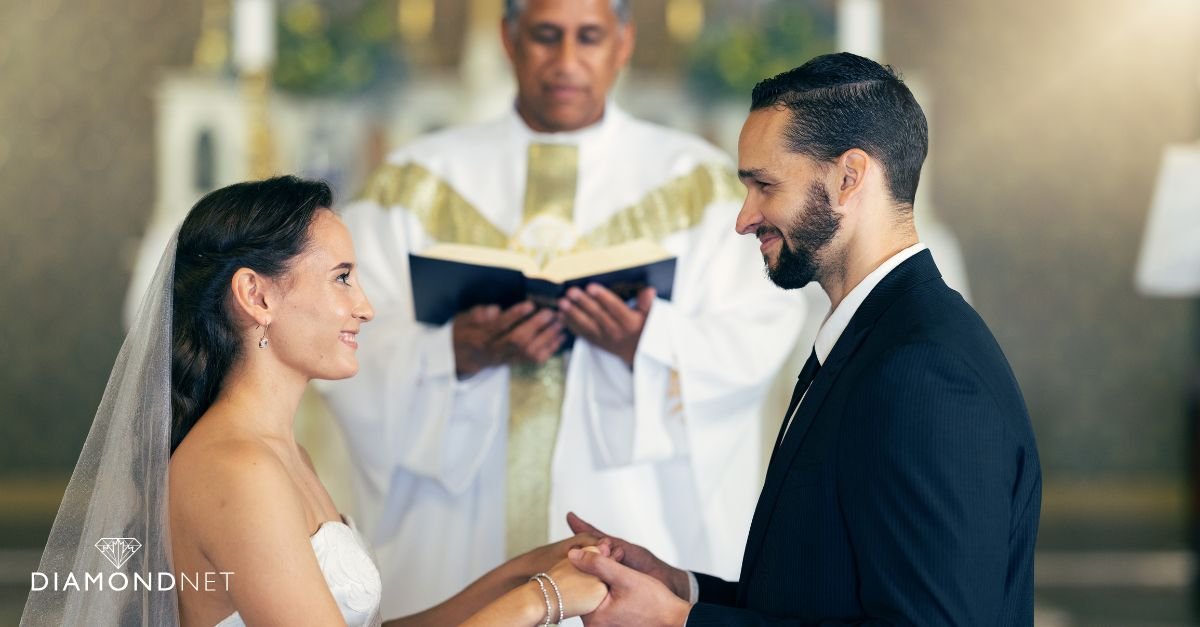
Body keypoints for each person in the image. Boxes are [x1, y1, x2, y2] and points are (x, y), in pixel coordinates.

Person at [318, 0, 805, 618]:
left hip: (632, 512)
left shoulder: (700, 186)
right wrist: (453, 353)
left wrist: (648, 342)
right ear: (509, 38)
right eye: (546, 36)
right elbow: (337, 333)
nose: (567, 60)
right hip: (454, 538)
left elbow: (758, 333)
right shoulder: (412, 184)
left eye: (589, 37)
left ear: (623, 43)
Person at [564, 53, 1043, 625]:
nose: (744, 218)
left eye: (764, 185)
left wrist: (677, 622)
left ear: (848, 178)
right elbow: (818, 595)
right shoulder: (872, 336)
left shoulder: (923, 369)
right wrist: (680, 589)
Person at [21, 176, 607, 627]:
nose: (365, 308)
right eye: (342, 277)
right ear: (256, 295)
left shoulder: (280, 453)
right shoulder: (235, 468)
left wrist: (530, 568)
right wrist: (541, 601)